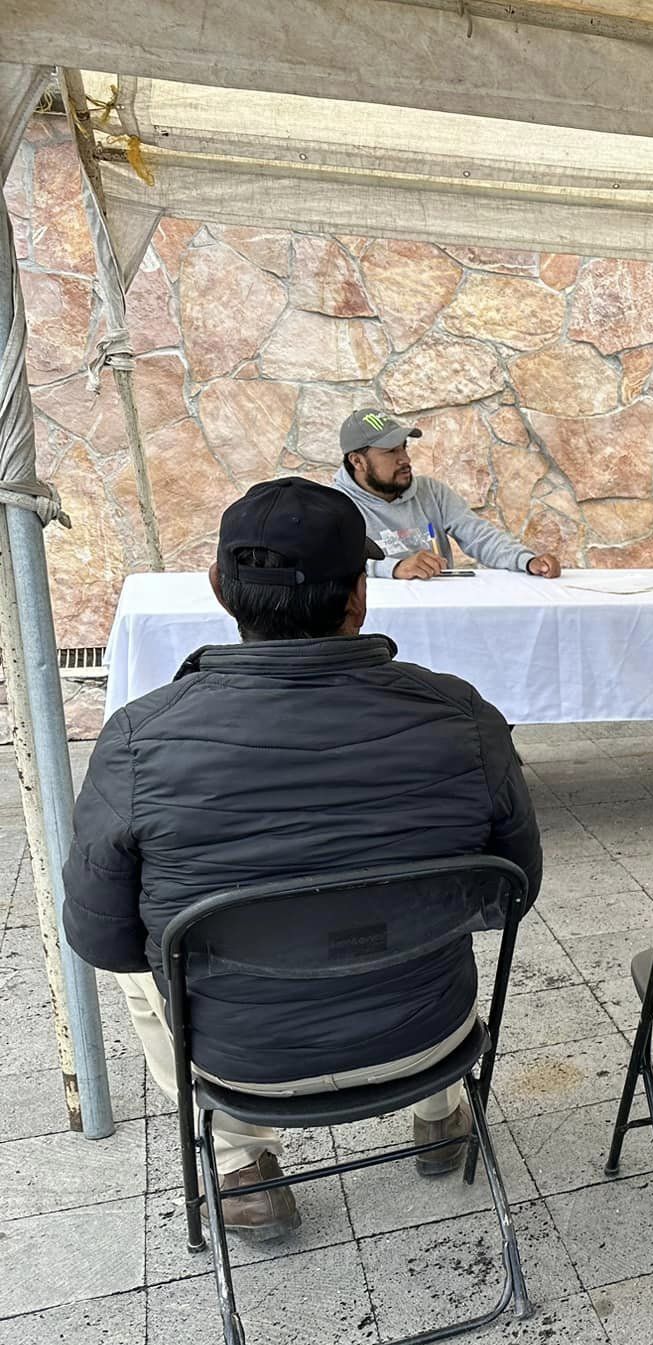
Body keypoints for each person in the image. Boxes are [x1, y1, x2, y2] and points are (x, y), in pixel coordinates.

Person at [62, 478, 544, 1240]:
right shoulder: (464, 717)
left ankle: (237, 1164)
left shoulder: (133, 739)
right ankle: (443, 1114)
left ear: (220, 589)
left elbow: (102, 938)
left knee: (141, 968)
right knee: (425, 909)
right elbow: (511, 896)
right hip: (430, 1036)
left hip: (241, 1062)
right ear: (360, 595)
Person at [331, 408, 561, 580]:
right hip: (379, 625)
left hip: (438, 615)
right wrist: (394, 568)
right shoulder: (333, 506)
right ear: (357, 461)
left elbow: (479, 536)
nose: (405, 460)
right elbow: (327, 566)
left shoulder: (431, 492)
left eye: (404, 447)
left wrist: (526, 560)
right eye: (391, 451)